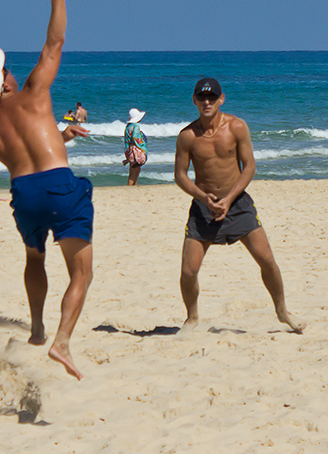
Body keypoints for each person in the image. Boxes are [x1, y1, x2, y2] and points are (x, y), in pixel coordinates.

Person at [0, 0, 93, 380]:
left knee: (34, 257)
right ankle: (61, 341)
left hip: (24, 195)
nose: (11, 71)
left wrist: (60, 139)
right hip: (58, 186)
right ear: (4, 82)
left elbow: (31, 155)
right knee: (81, 271)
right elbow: (54, 43)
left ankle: (38, 327)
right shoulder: (34, 92)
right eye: (6, 70)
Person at [174, 77, 304, 334]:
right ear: (194, 101)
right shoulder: (187, 136)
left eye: (212, 97)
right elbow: (180, 175)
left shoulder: (236, 127)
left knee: (267, 260)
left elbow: (250, 167)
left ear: (221, 99)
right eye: (202, 97)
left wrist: (229, 198)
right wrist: (204, 198)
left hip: (238, 204)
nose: (207, 102)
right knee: (189, 271)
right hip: (204, 208)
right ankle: (192, 317)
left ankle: (281, 310)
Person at [124, 107, 148, 186]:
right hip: (136, 150)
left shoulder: (128, 127)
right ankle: (131, 187)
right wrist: (141, 144)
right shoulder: (136, 126)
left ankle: (133, 186)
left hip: (130, 150)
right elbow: (136, 137)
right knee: (135, 171)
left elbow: (127, 140)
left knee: (134, 170)